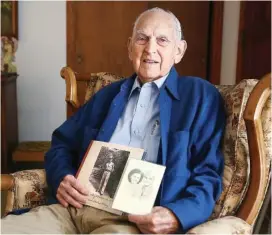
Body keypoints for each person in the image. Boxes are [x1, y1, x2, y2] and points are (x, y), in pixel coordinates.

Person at [1, 7, 226, 234]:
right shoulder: (108, 95)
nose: (150, 48)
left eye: (162, 40)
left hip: (132, 222)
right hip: (72, 209)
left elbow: (208, 173)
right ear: (130, 47)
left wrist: (176, 214)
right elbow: (62, 143)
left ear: (179, 50)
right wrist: (63, 177)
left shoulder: (200, 97)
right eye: (142, 38)